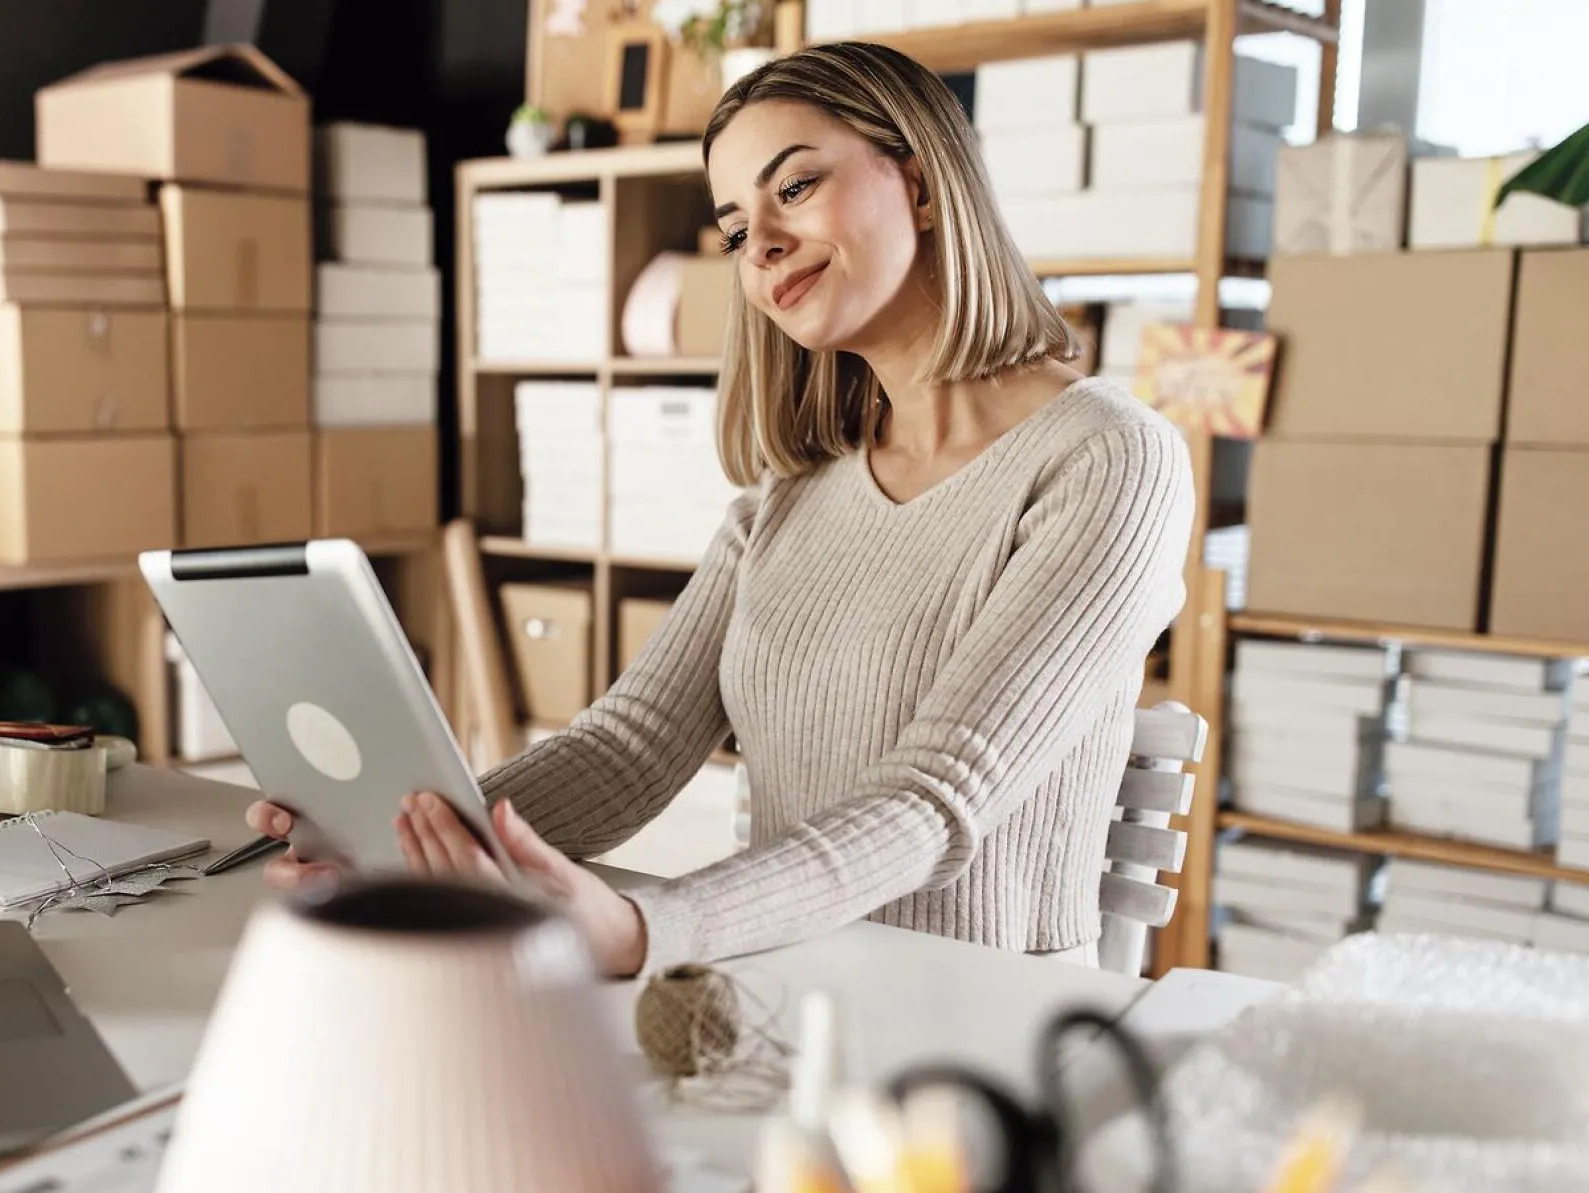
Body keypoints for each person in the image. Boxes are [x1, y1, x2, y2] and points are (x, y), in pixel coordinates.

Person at [246, 41, 1193, 978]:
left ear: (922, 183)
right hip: (786, 983)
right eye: (736, 228)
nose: (763, 244)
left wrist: (639, 926)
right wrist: (400, 838)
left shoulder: (1108, 458)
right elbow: (629, 750)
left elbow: (934, 798)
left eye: (795, 187)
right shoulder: (790, 494)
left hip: (985, 1025)